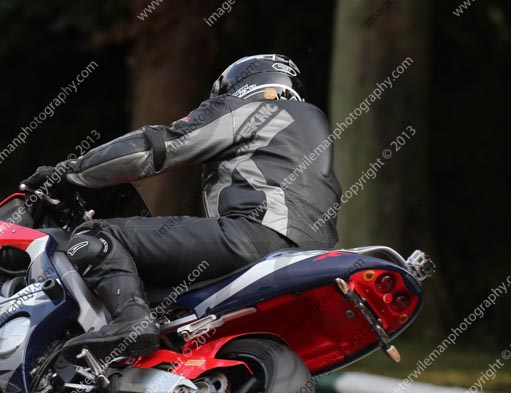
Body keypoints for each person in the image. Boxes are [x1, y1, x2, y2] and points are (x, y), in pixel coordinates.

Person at [20, 54, 342, 361]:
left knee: (96, 236)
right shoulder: (313, 139)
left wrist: (71, 172)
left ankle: (131, 322)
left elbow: (159, 146)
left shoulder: (251, 110)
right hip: (310, 260)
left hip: (252, 239)